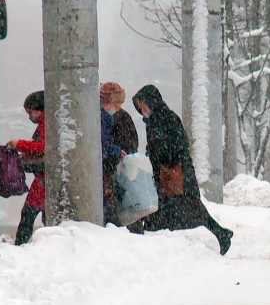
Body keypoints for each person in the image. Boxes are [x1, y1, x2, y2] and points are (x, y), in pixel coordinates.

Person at [132, 84, 234, 255]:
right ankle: (219, 234)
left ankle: (220, 234)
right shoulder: (153, 120)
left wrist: (162, 155)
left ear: (152, 101)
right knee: (183, 207)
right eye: (140, 105)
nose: (142, 108)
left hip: (177, 172)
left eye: (143, 103)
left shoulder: (167, 118)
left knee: (189, 206)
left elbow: (179, 143)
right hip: (168, 173)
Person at [100, 81, 142, 232]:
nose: (117, 108)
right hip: (112, 168)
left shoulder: (113, 117)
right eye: (116, 104)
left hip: (112, 168)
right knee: (118, 204)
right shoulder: (110, 117)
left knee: (116, 204)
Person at [7, 91, 45, 245]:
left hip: (43, 180)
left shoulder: (46, 124)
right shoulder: (48, 122)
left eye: (31, 112)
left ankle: (21, 244)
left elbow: (43, 147)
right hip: (44, 178)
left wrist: (19, 144)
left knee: (29, 213)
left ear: (39, 109)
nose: (30, 117)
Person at [100, 86, 127, 226]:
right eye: (117, 105)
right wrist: (116, 151)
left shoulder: (99, 116)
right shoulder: (102, 119)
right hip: (101, 167)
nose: (117, 110)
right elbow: (102, 144)